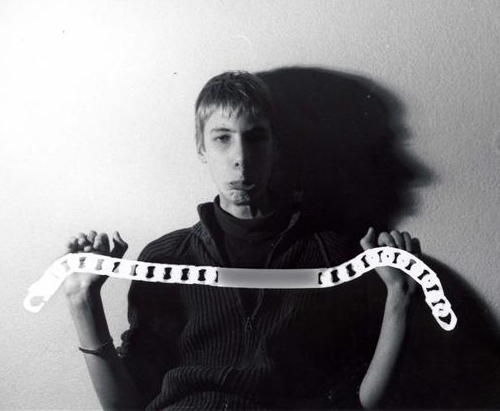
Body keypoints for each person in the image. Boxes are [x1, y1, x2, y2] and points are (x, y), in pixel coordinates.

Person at [63, 71, 422, 410]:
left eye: (255, 137)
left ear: (276, 146)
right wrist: (83, 301)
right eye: (222, 138)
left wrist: (400, 299)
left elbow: (363, 401)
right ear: (201, 148)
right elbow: (126, 406)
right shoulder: (165, 258)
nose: (241, 158)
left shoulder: (330, 255)